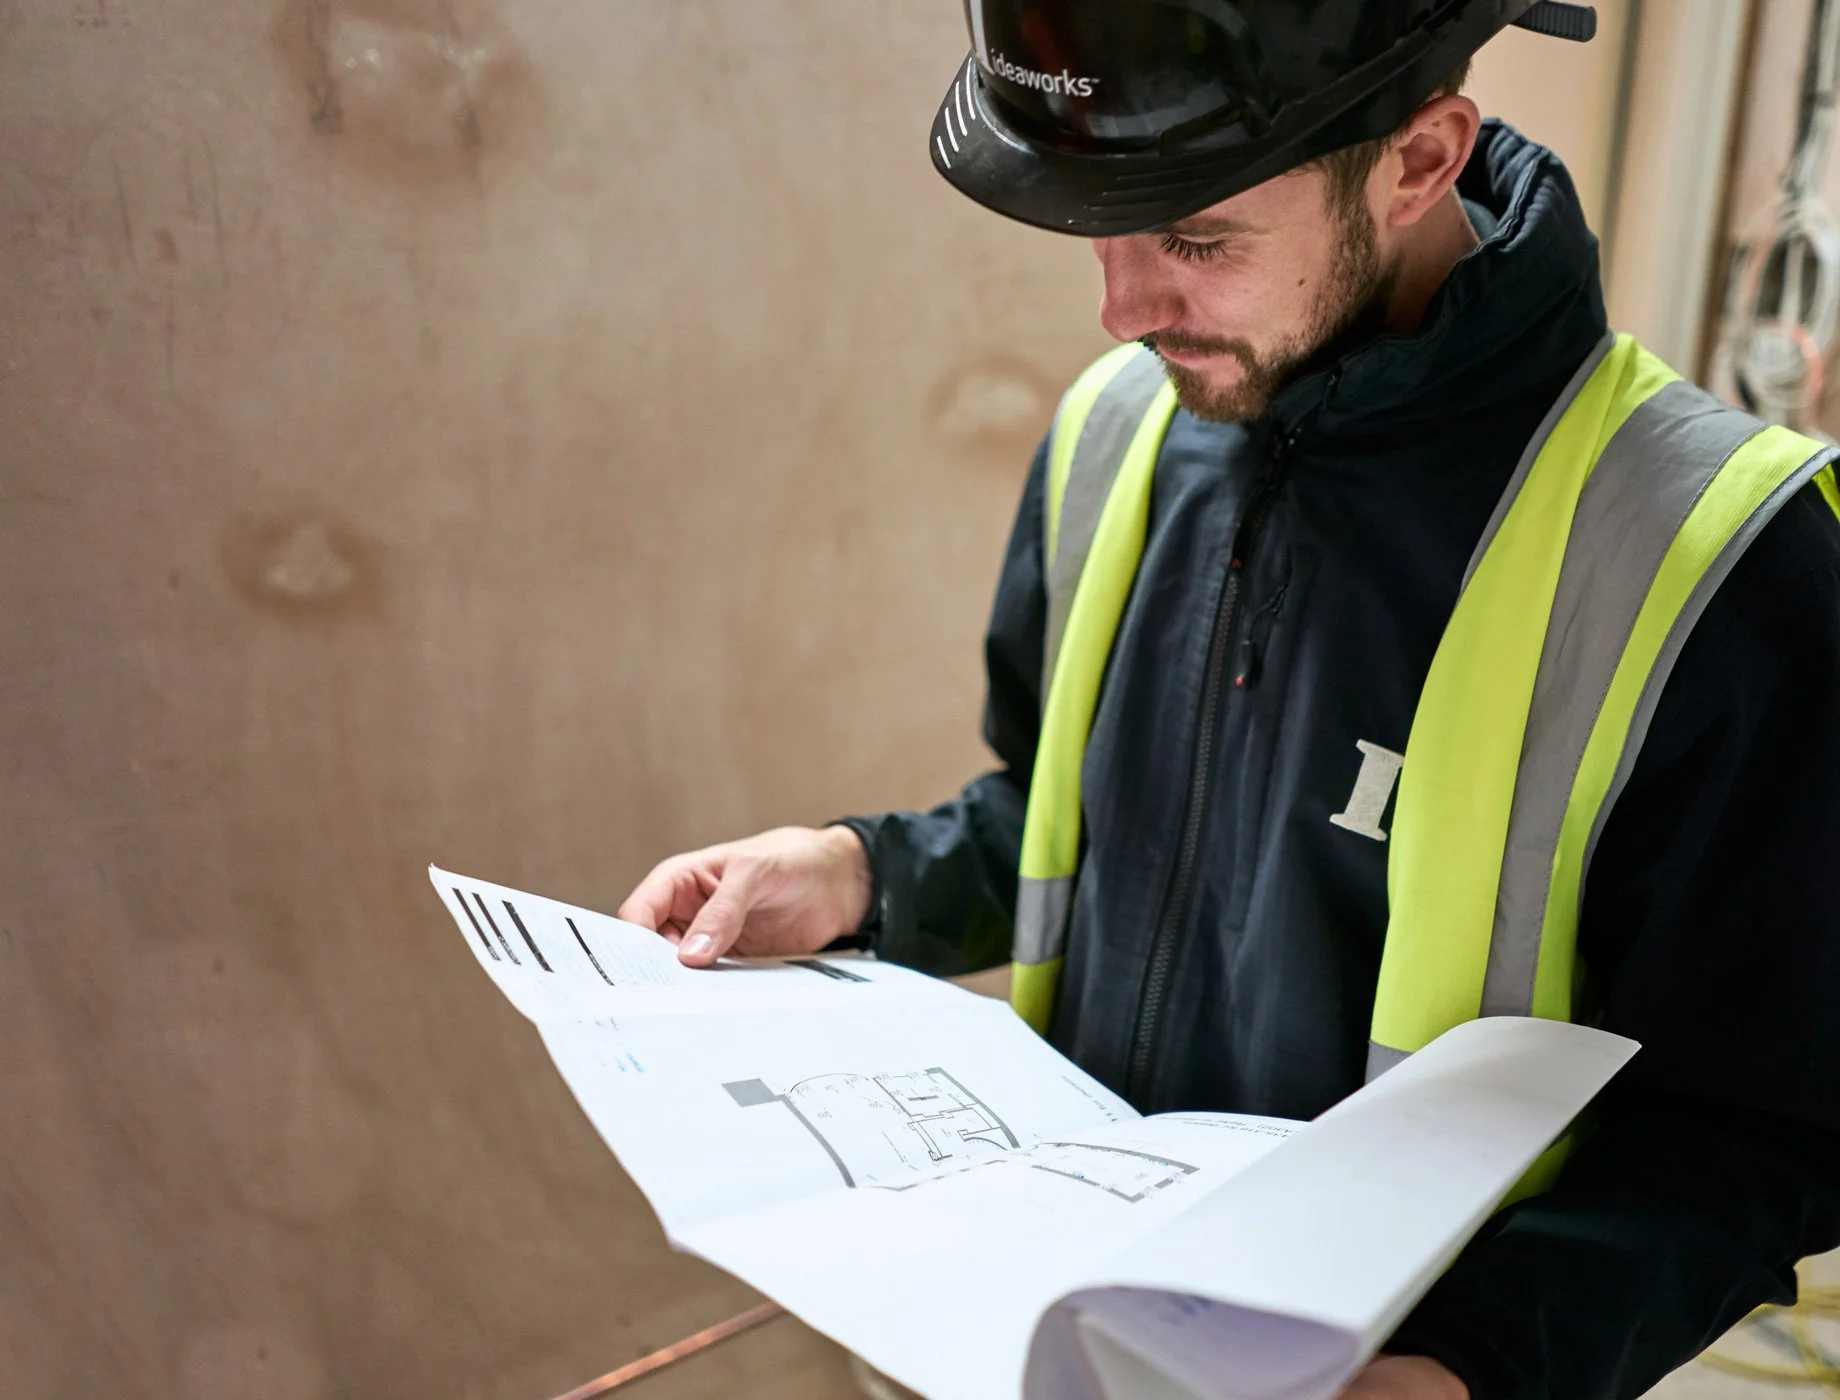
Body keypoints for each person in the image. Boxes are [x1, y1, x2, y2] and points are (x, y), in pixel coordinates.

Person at [620, 3, 1840, 1396]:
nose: (1123, 307)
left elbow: (1754, 1135)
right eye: (1101, 229)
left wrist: (1460, 1369)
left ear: (1422, 159)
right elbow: (1078, 821)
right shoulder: (1119, 432)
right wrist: (863, 873)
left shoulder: (1724, 565)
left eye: (1196, 240)